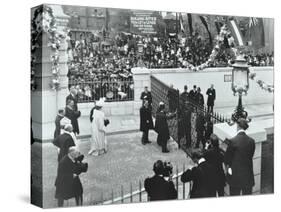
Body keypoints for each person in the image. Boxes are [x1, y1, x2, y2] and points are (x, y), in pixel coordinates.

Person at [224, 118, 255, 196]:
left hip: (235, 177)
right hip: (248, 176)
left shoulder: (232, 141)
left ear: (238, 126)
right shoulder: (252, 141)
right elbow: (250, 155)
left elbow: (227, 159)